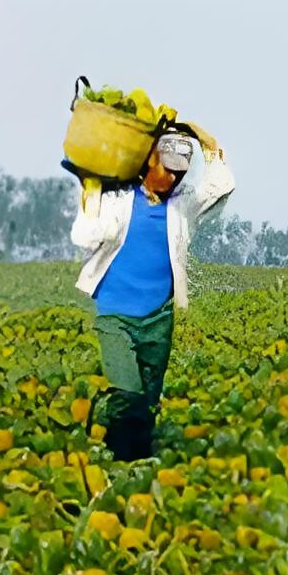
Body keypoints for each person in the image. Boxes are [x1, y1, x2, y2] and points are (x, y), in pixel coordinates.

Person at [70, 127, 233, 462]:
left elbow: (221, 186)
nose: (172, 177)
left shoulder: (182, 206)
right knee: (127, 392)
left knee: (147, 402)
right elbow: (84, 236)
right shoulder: (115, 198)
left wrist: (208, 144)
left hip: (158, 317)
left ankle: (138, 466)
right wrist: (91, 191)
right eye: (167, 168)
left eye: (179, 171)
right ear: (149, 161)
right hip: (115, 315)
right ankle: (114, 457)